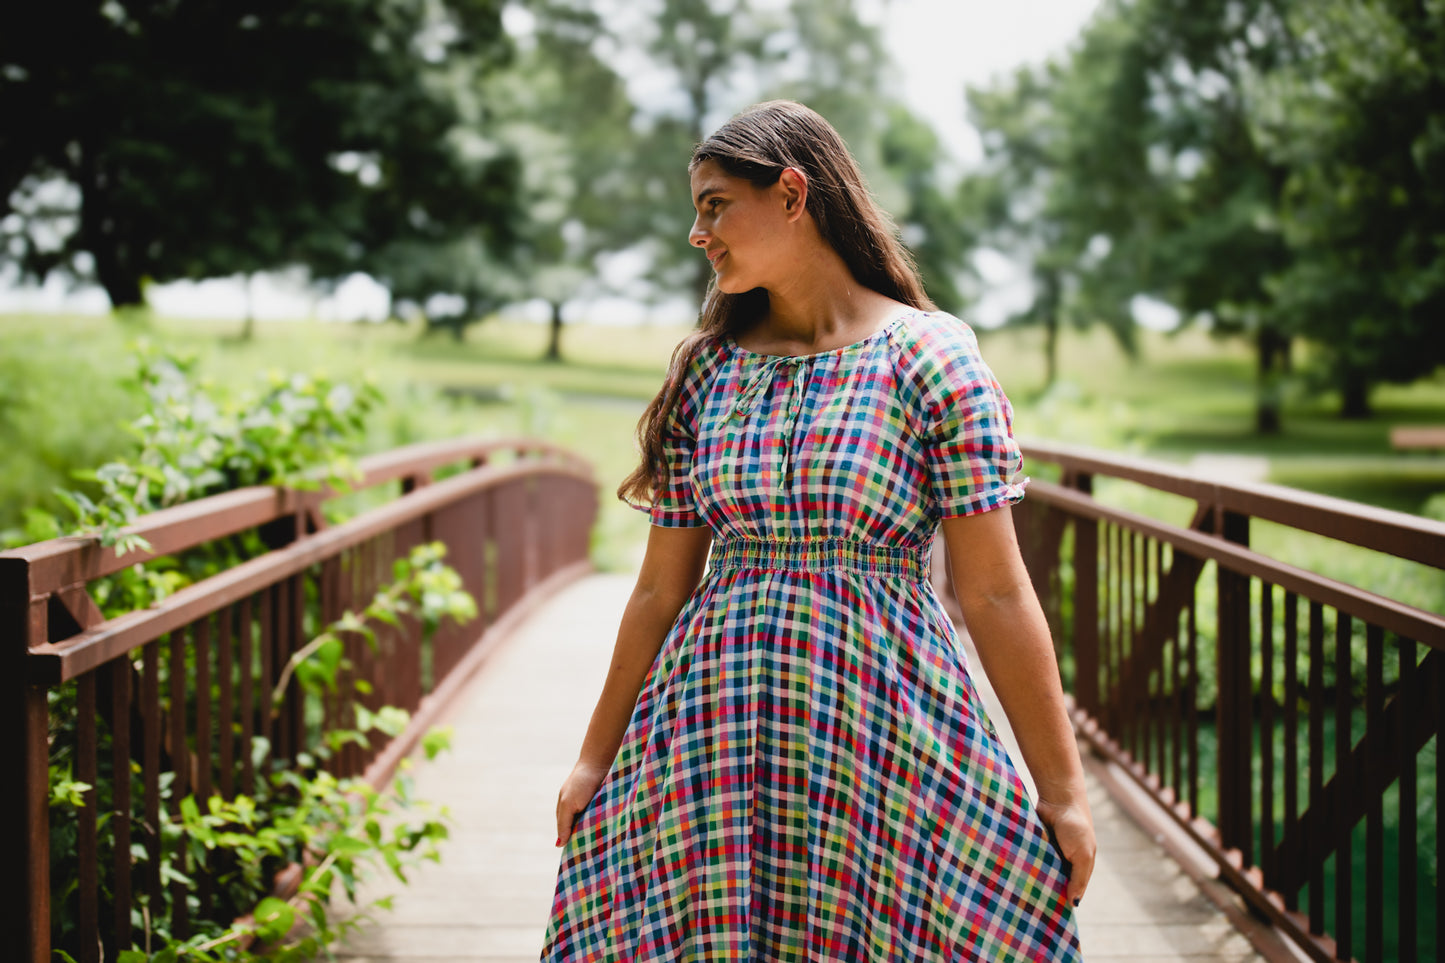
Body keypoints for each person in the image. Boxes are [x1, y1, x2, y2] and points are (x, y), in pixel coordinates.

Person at [540, 100, 1094, 961]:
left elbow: (992, 589)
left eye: (715, 204)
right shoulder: (707, 368)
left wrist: (1061, 791)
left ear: (792, 194)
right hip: (711, 727)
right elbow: (658, 587)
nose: (698, 232)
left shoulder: (929, 357)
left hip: (882, 725)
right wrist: (591, 758)